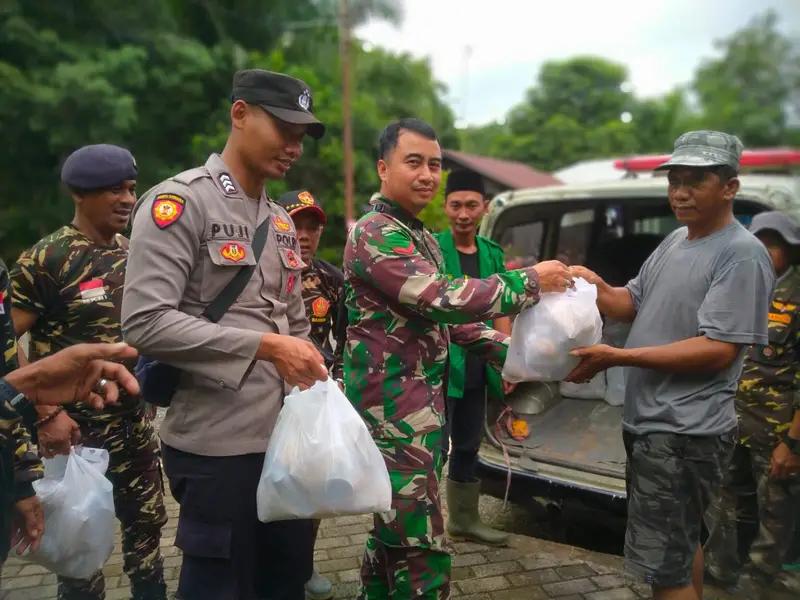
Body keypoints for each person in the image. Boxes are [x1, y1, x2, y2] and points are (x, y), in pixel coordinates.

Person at [342, 117, 572, 598]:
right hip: (393, 416)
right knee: (421, 549)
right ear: (383, 168)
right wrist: (530, 282)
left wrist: (521, 356)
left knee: (394, 533)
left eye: (434, 164)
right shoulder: (375, 233)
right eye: (414, 162)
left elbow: (450, 324)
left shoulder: (418, 235)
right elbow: (441, 298)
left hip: (418, 411)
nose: (427, 174)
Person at [121, 69, 329, 600]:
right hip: (217, 447)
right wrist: (263, 346)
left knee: (286, 582)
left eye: (301, 136)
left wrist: (319, 385)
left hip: (283, 444)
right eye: (283, 128)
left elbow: (294, 320)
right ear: (239, 114)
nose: (293, 147)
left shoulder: (280, 222)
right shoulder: (181, 203)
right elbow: (145, 321)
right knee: (219, 586)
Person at [567, 130, 775, 600]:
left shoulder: (740, 254)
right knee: (679, 550)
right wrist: (594, 285)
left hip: (684, 432)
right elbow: (631, 302)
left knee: (666, 571)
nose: (679, 192)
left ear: (730, 187)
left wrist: (617, 357)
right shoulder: (677, 240)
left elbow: (719, 349)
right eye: (674, 180)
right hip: (656, 425)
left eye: (695, 181)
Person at [10, 144, 169, 600]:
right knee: (79, 552)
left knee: (147, 534)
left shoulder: (133, 252)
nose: (125, 199)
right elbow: (4, 341)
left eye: (130, 189)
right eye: (112, 189)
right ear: (80, 194)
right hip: (74, 435)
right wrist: (43, 412)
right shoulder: (48, 259)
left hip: (133, 425)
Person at [704, 210, 800, 597]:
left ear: (790, 251)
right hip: (731, 421)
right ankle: (721, 571)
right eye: (759, 242)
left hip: (776, 429)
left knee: (774, 513)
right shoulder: (741, 286)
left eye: (774, 245)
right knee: (727, 502)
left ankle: (758, 583)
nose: (765, 251)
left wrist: (791, 444)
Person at [0, 341, 142, 574]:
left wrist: (19, 480)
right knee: (74, 546)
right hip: (76, 428)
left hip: (125, 423)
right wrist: (46, 410)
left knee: (141, 525)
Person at [434, 169, 511, 546]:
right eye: (455, 205)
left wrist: (507, 358)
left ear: (483, 208)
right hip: (441, 367)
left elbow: (502, 309)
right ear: (446, 208)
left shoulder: (493, 254)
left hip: (479, 366)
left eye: (471, 206)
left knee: (467, 444)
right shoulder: (432, 248)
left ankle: (464, 520)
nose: (463, 214)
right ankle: (424, 526)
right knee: (433, 446)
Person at [274, 188, 341, 600]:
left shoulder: (331, 279)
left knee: (310, 484)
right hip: (264, 395)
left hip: (311, 397)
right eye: (296, 224)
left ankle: (304, 566)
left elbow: (347, 334)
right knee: (271, 482)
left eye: (312, 226)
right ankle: (270, 566)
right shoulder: (260, 272)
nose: (304, 233)